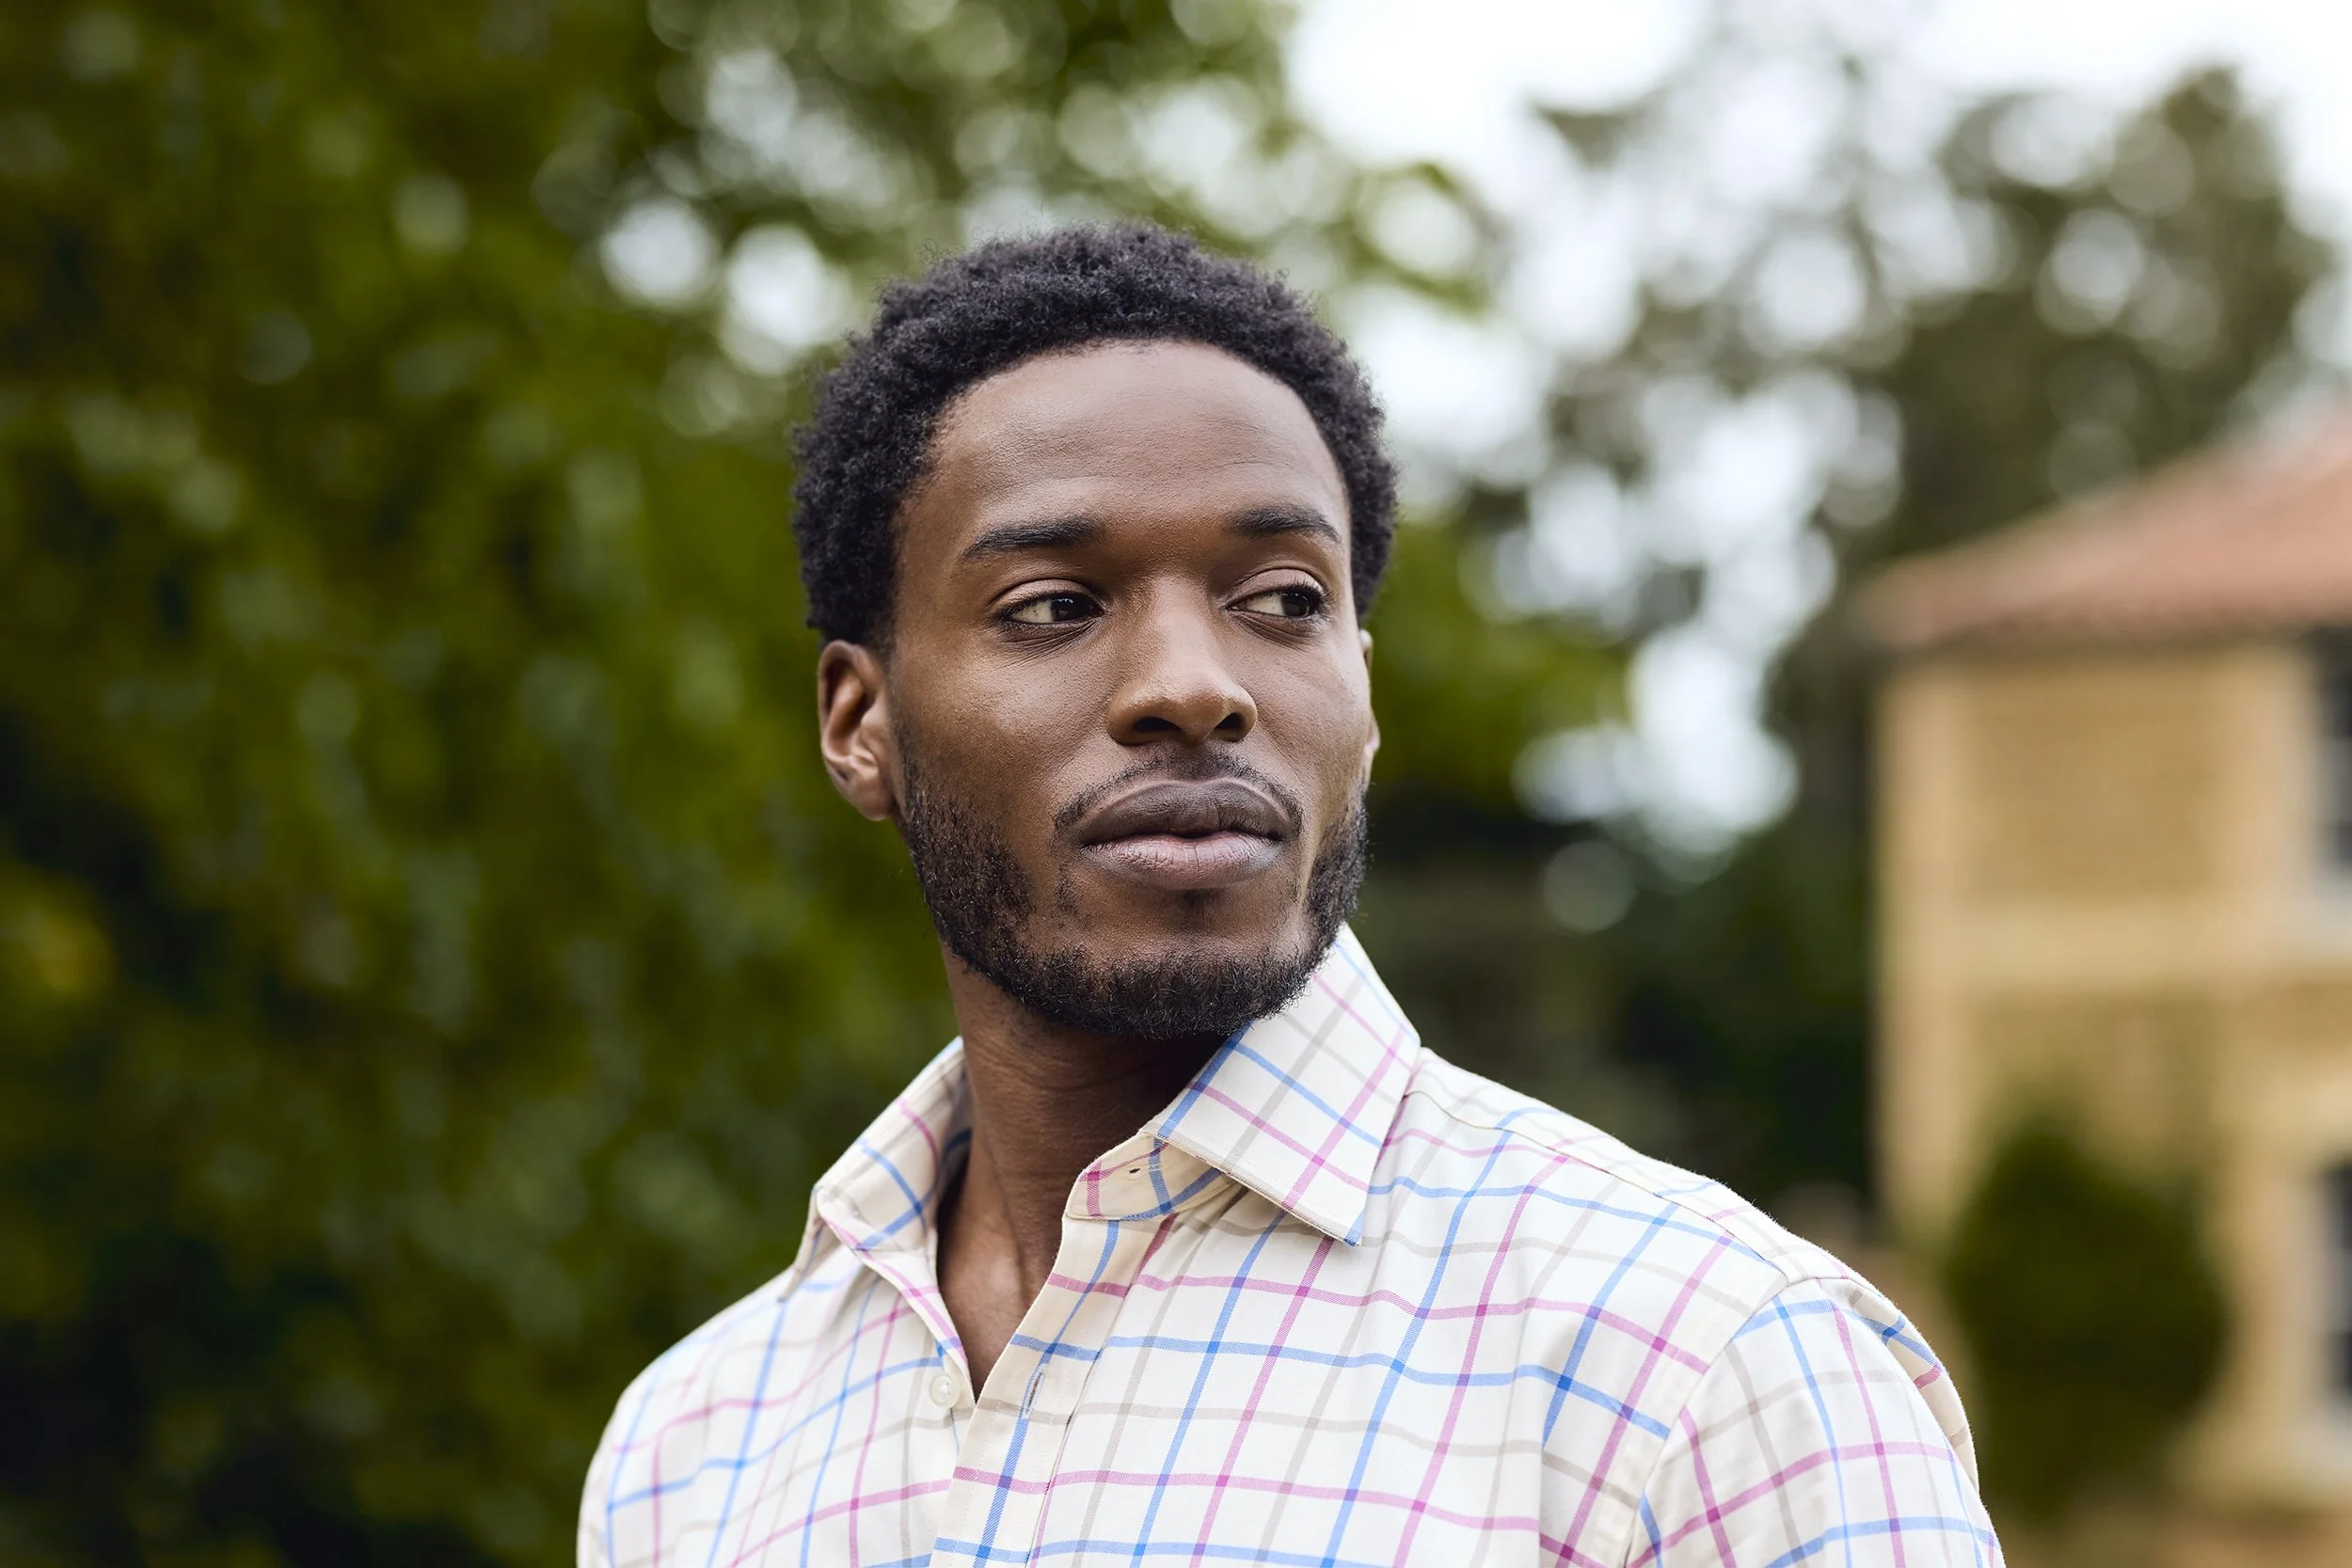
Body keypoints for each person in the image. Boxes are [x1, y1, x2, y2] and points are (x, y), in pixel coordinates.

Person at [580, 223, 2000, 1567]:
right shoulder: (692, 1447)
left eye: (1281, 597)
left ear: (1364, 694)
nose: (1196, 685)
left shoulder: (1708, 1370)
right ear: (859, 721)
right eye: (1054, 607)